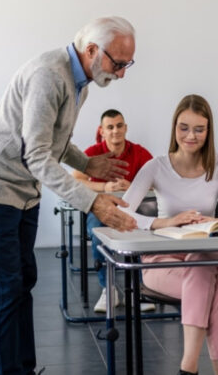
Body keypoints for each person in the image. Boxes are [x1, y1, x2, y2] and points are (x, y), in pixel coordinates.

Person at [0, 16, 140, 375]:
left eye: (127, 64)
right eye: (118, 63)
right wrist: (92, 201)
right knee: (4, 290)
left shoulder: (80, 84)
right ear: (91, 50)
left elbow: (54, 141)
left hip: (24, 191)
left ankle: (24, 369)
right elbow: (37, 155)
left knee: (23, 282)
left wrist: (87, 164)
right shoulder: (49, 76)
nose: (122, 73)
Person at [120, 94, 218, 375]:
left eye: (199, 129)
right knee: (216, 287)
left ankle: (188, 368)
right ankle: (203, 369)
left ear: (209, 131)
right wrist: (166, 222)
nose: (190, 136)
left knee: (203, 268)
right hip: (161, 262)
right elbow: (121, 215)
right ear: (174, 127)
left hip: (206, 257)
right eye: (184, 128)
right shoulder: (156, 166)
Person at [72, 109, 155, 313]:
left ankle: (139, 287)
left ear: (125, 128)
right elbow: (76, 180)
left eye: (119, 126)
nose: (115, 131)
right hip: (101, 210)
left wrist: (133, 186)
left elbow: (158, 183)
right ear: (102, 131)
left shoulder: (139, 152)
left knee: (142, 231)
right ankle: (107, 288)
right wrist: (104, 187)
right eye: (110, 127)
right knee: (97, 230)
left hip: (132, 209)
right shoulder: (92, 152)